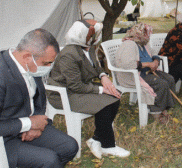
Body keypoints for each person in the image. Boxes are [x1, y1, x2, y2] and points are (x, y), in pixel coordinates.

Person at [0, 29, 79, 168]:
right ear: (27, 57)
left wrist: (35, 125)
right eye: (47, 63)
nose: (49, 67)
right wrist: (28, 123)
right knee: (49, 160)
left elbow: (39, 99)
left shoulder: (31, 66)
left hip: (22, 129)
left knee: (69, 146)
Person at [46, 20, 130, 159]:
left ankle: (97, 139)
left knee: (115, 96)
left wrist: (103, 76)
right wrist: (102, 90)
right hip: (64, 94)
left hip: (77, 89)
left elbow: (96, 66)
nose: (97, 37)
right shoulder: (69, 54)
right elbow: (76, 86)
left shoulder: (88, 48)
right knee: (106, 103)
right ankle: (108, 146)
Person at [115, 23, 175, 124]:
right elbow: (127, 64)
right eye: (147, 34)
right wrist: (148, 64)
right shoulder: (129, 44)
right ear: (140, 34)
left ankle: (164, 107)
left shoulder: (143, 43)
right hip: (132, 76)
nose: (149, 36)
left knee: (169, 79)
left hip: (145, 72)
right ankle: (156, 112)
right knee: (161, 84)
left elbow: (154, 53)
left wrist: (155, 61)